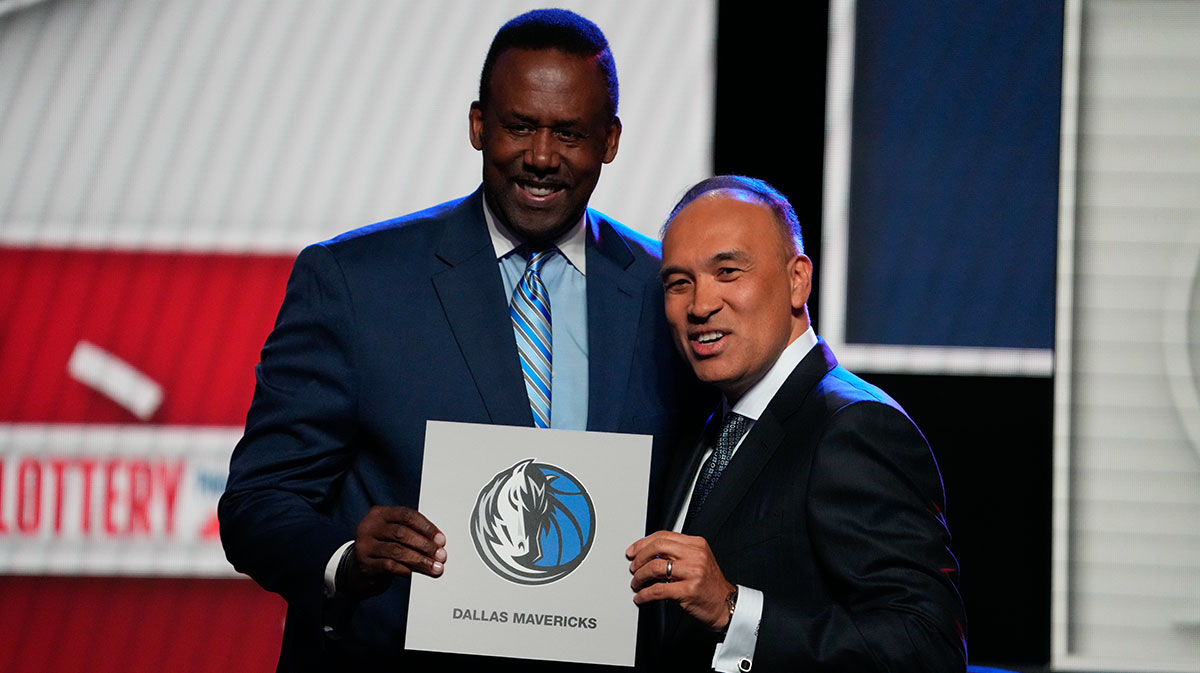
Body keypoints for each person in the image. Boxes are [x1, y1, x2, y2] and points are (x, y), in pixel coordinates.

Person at [219, 9, 702, 670]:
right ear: (479, 125)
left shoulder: (666, 292)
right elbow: (258, 501)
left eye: (568, 132)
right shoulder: (355, 283)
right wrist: (347, 560)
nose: (539, 156)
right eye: (518, 126)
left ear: (610, 140)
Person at [626, 176, 967, 672]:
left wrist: (733, 611)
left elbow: (927, 647)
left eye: (728, 271)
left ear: (797, 280)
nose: (700, 306)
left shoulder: (855, 428)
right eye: (679, 283)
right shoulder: (706, 428)